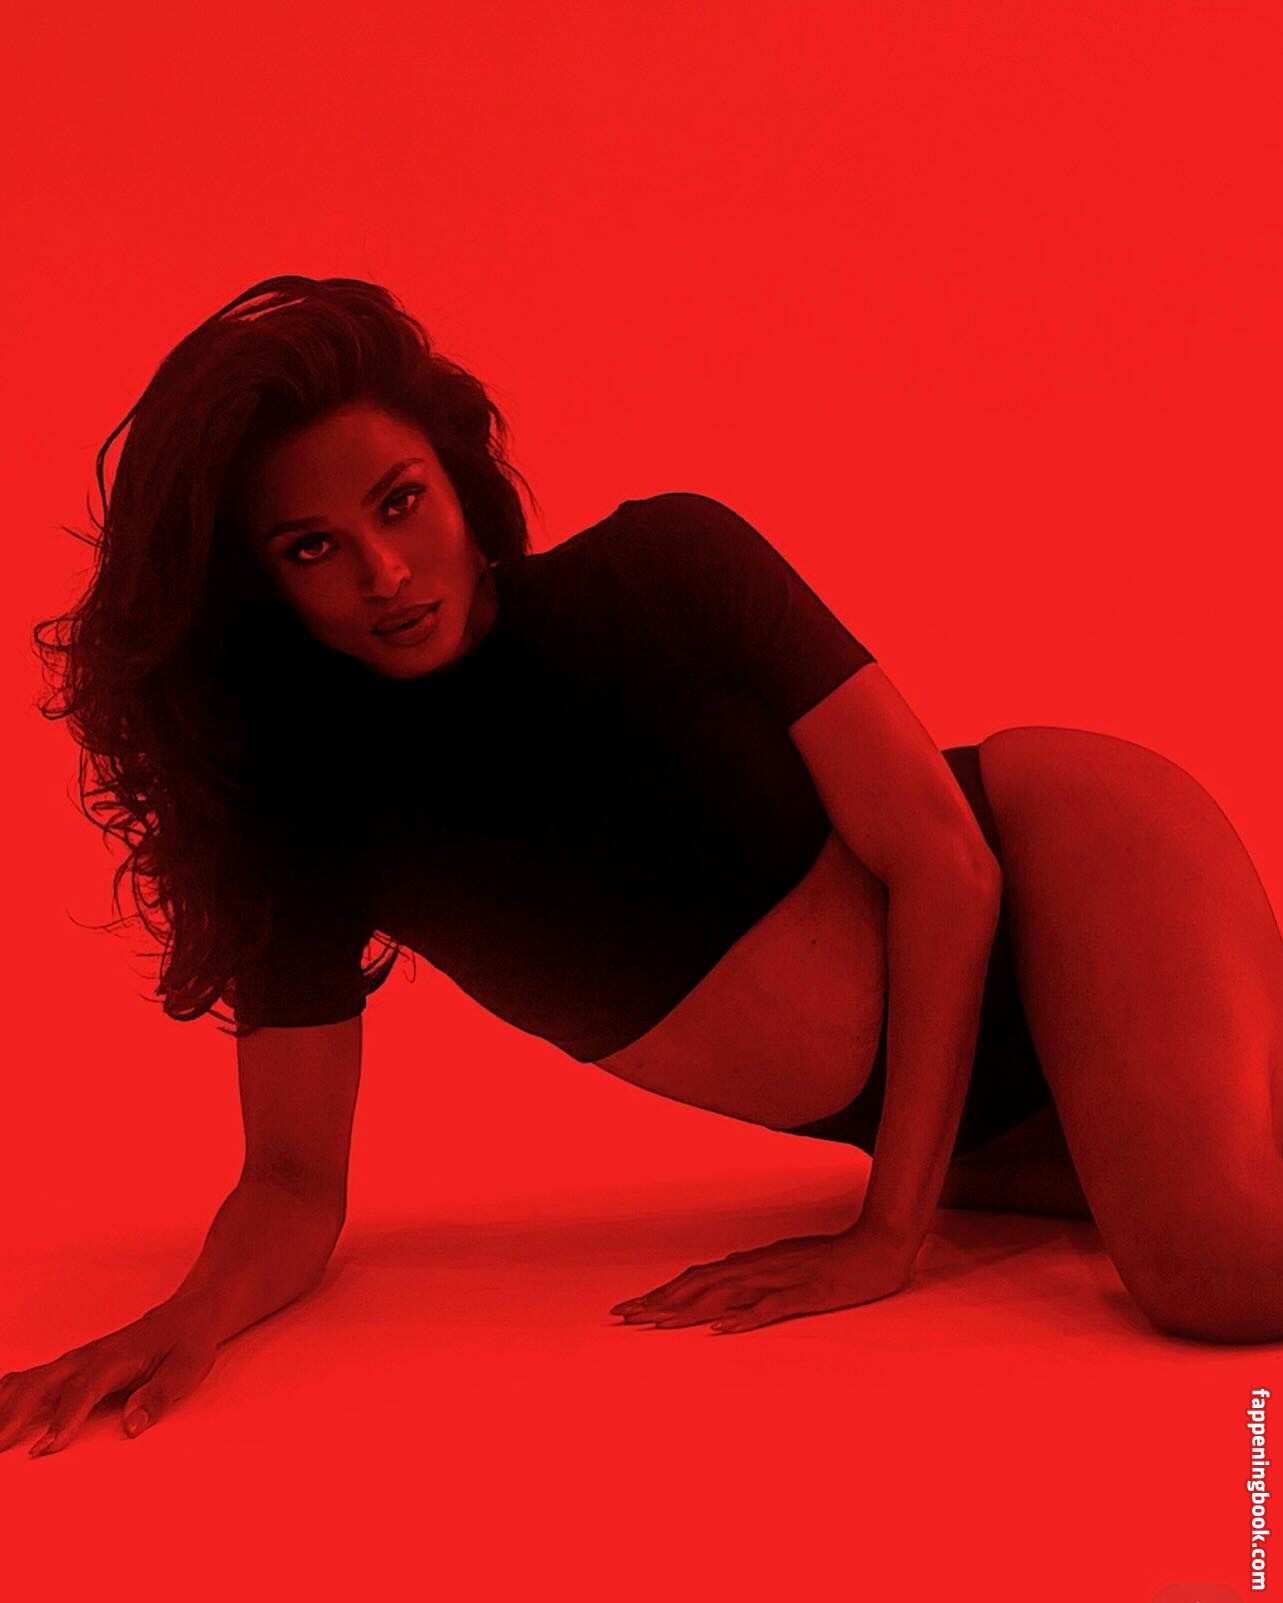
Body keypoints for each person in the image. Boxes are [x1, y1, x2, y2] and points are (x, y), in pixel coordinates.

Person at [7, 277, 1282, 1458]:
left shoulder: (667, 566)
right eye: (311, 547)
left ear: (458, 479)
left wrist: (886, 1236)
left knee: (1211, 1270)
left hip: (1065, 865)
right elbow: (292, 1186)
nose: (383, 573)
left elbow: (946, 864)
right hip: (963, 1122)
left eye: (398, 502)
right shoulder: (314, 821)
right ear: (260, 592)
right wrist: (183, 1318)